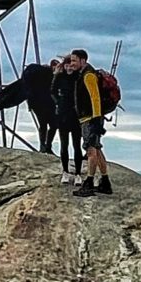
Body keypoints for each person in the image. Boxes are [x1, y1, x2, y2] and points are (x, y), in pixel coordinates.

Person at [69, 49, 113, 197]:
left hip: (90, 118)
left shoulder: (88, 75)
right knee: (97, 149)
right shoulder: (85, 74)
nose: (72, 63)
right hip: (90, 118)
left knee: (91, 151)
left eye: (74, 60)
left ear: (83, 60)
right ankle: (105, 182)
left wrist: (95, 119)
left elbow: (95, 98)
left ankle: (89, 183)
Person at [49, 56, 82, 183]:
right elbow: (52, 91)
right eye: (67, 64)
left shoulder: (78, 77)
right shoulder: (59, 77)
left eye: (71, 64)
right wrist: (58, 102)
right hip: (63, 114)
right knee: (64, 145)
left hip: (75, 114)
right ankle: (65, 172)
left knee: (76, 145)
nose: (69, 67)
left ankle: (78, 173)